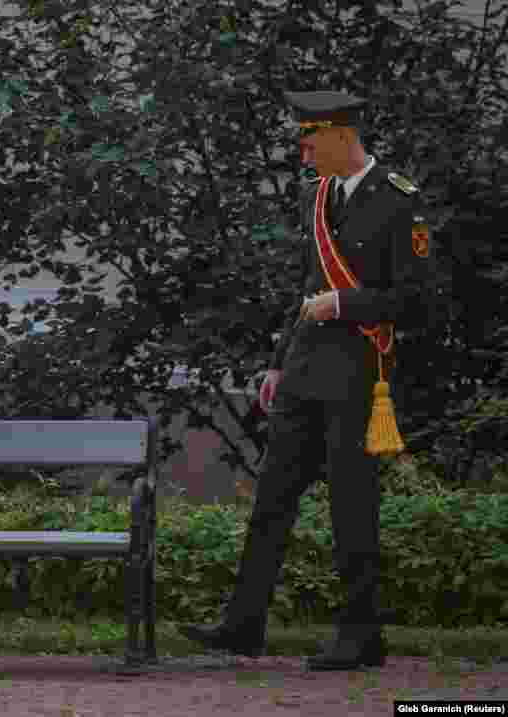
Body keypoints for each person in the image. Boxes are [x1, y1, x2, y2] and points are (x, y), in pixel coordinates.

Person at [179, 91, 437, 670]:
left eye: (310, 138)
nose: (303, 149)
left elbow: (417, 302)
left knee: (352, 503)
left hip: (358, 375)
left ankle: (361, 632)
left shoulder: (400, 201)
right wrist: (277, 361)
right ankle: (243, 624)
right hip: (302, 369)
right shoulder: (316, 198)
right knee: (272, 499)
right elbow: (305, 290)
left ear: (343, 136)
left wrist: (344, 305)